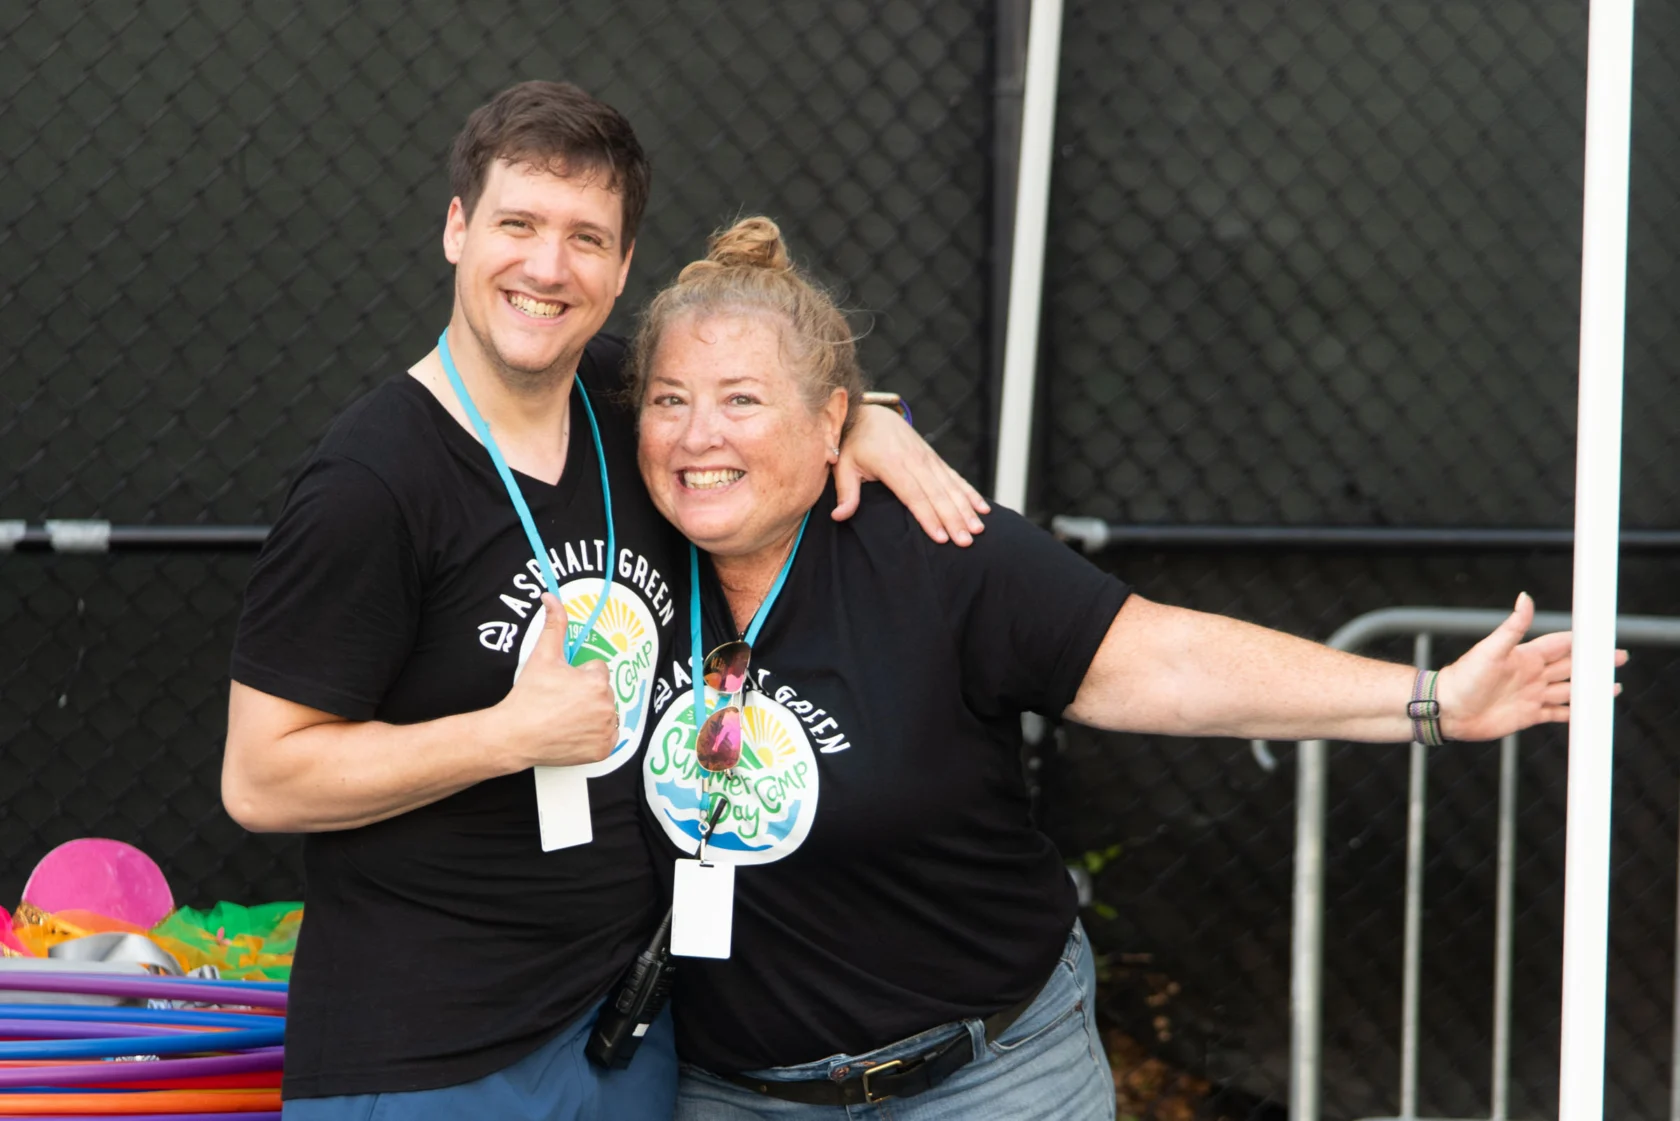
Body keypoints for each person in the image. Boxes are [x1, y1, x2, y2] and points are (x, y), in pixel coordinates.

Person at [629, 217, 1617, 1120]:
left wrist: (1430, 698)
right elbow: (534, 358)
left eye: (743, 400)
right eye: (669, 400)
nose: (696, 434)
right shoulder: (619, 544)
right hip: (735, 1092)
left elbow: (1173, 662)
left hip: (988, 1078)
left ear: (829, 417)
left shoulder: (941, 552)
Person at [220, 83, 985, 1120]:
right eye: (518, 224)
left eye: (587, 237)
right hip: (429, 1059)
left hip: (624, 1028)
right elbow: (263, 778)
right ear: (457, 229)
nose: (547, 266)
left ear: (624, 268)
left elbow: (758, 401)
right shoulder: (374, 481)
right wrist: (506, 733)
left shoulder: (628, 397)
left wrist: (864, 421)